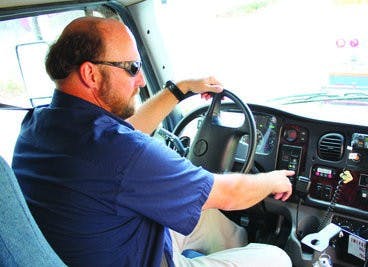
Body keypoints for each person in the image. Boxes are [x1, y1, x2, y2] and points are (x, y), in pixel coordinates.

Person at [12, 16, 294, 267]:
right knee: (276, 258)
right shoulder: (120, 152)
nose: (142, 80)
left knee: (206, 216)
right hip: (146, 257)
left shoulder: (39, 124)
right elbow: (230, 194)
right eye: (132, 67)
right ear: (91, 74)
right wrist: (273, 180)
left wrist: (180, 89)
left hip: (106, 242)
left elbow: (126, 138)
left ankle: (240, 249)